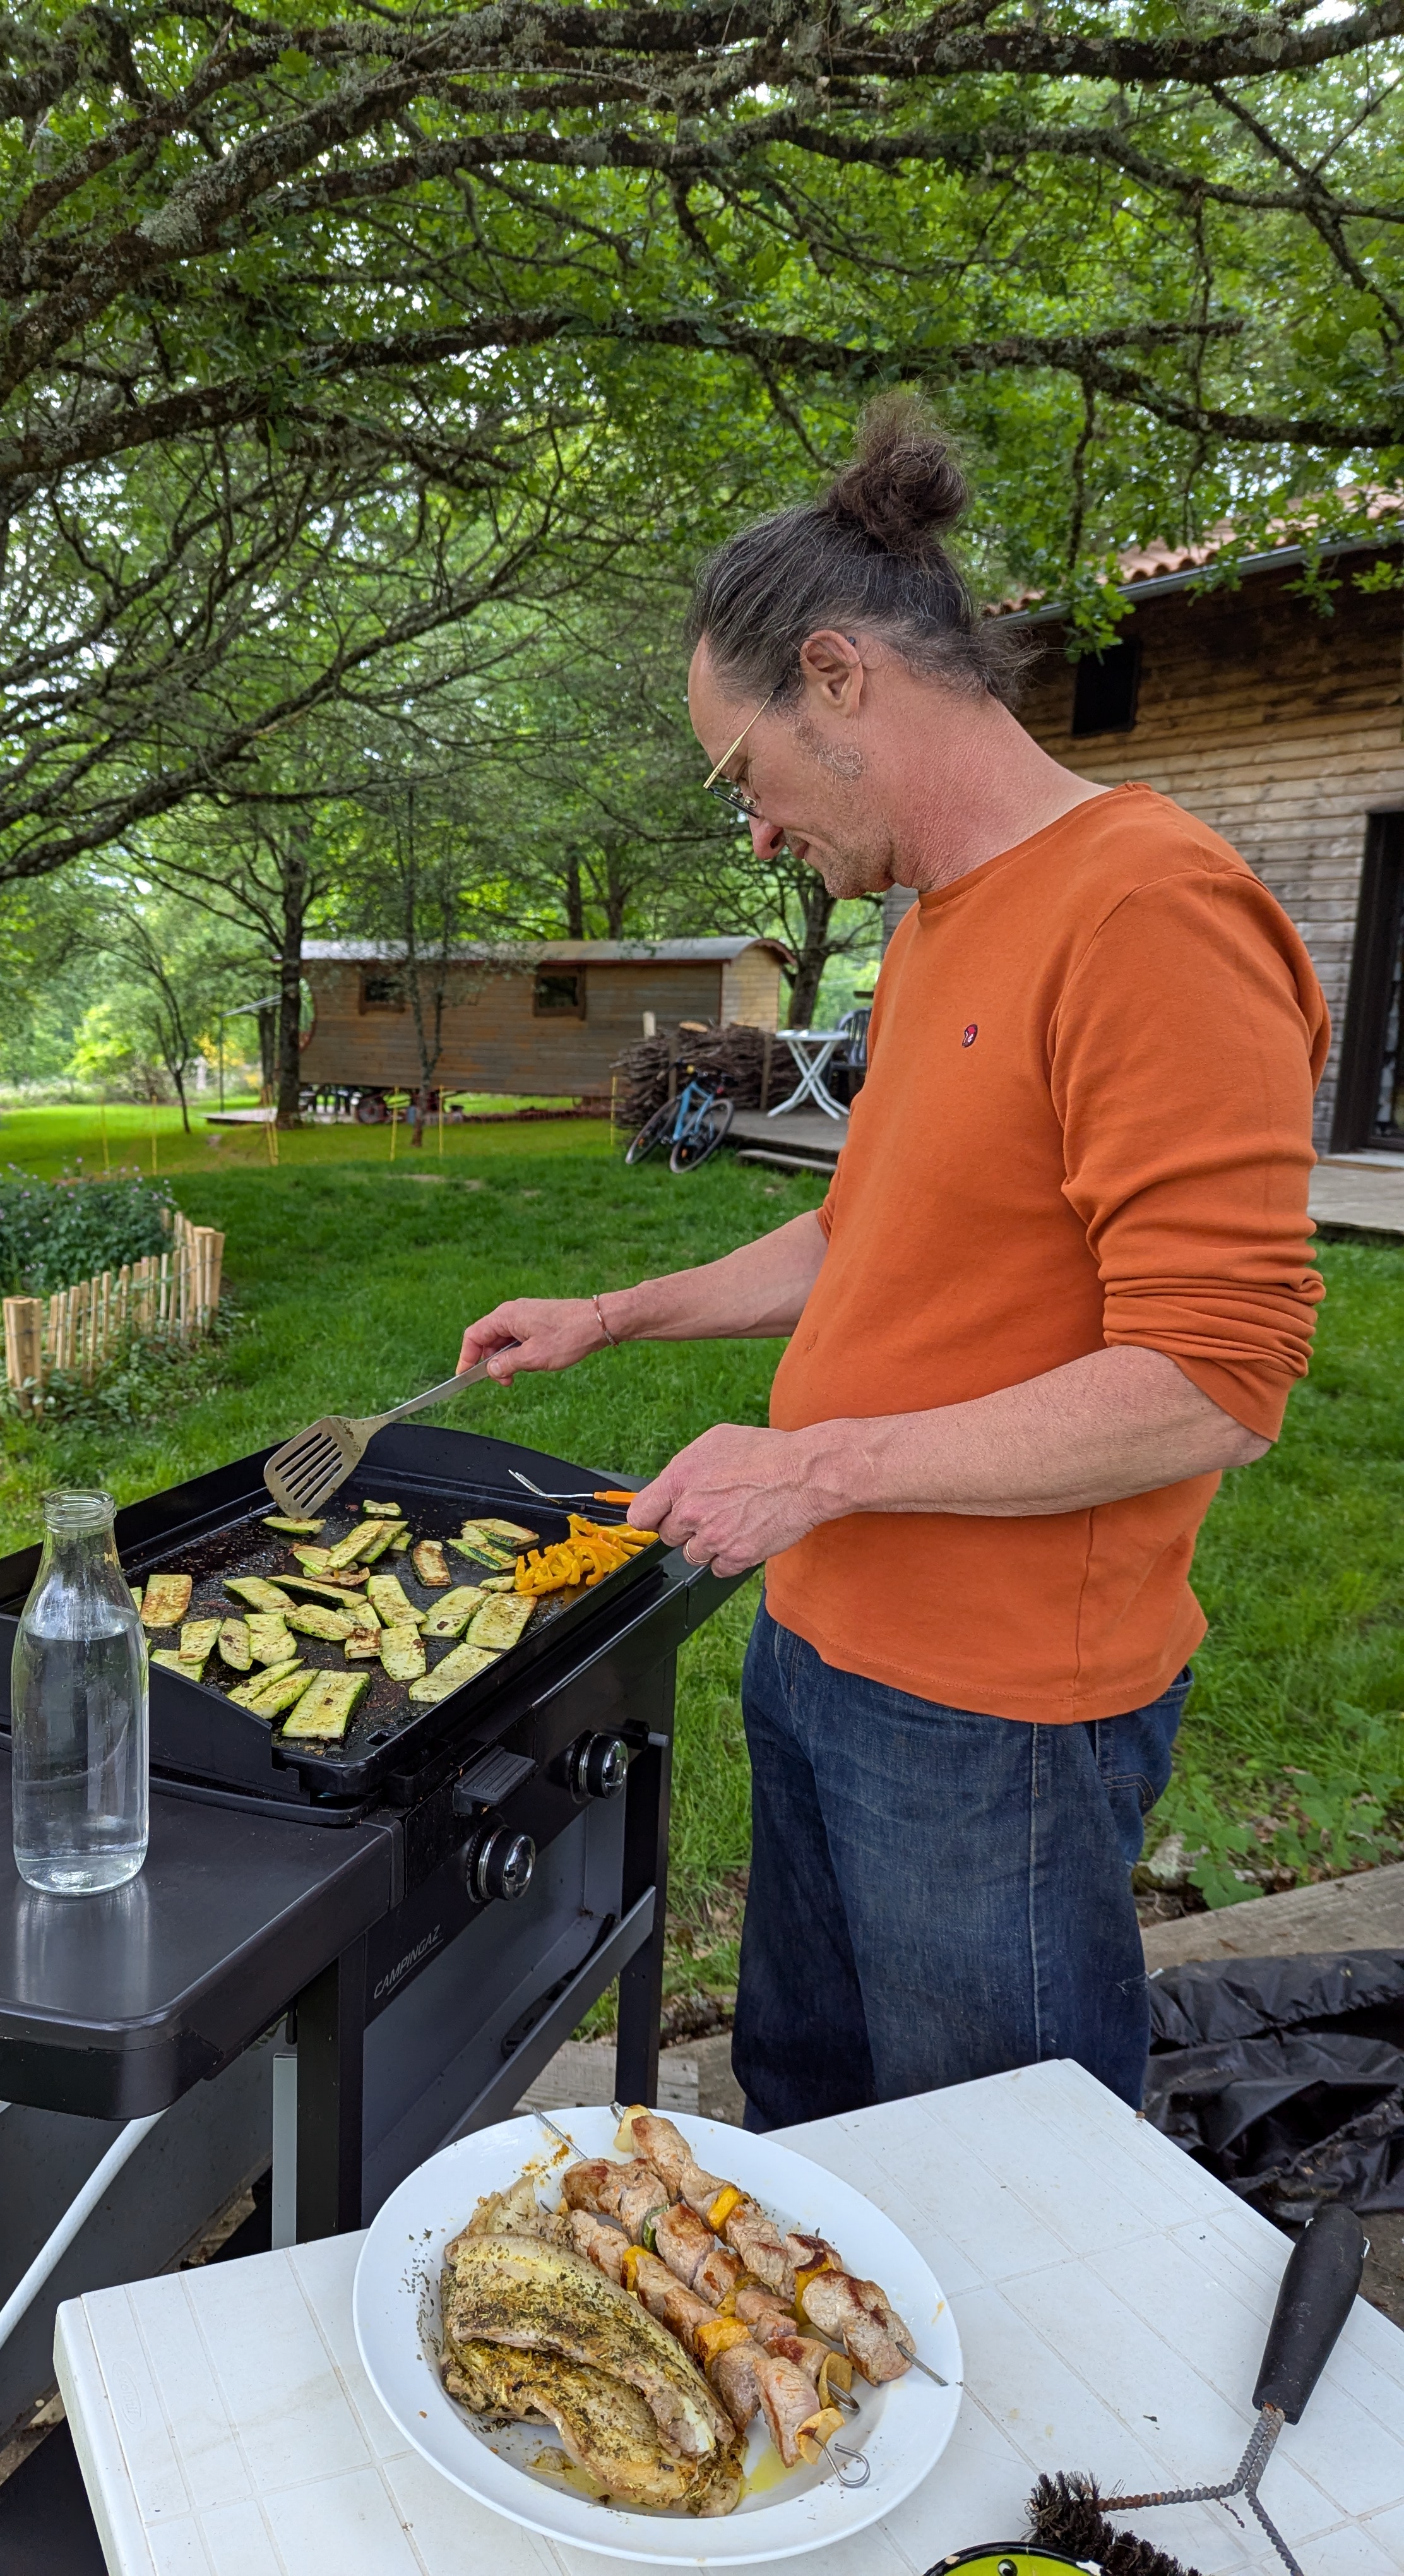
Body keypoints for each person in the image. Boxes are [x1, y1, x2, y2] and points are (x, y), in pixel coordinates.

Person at [457, 396, 1327, 2129]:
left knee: (998, 2175)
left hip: (995, 1721)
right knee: (813, 2109)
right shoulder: (937, 928)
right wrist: (615, 1315)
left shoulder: (1148, 908)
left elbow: (1217, 1378)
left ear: (840, 678)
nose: (757, 832)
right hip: (823, 1637)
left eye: (745, 777)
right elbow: (871, 1230)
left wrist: (820, 1465)